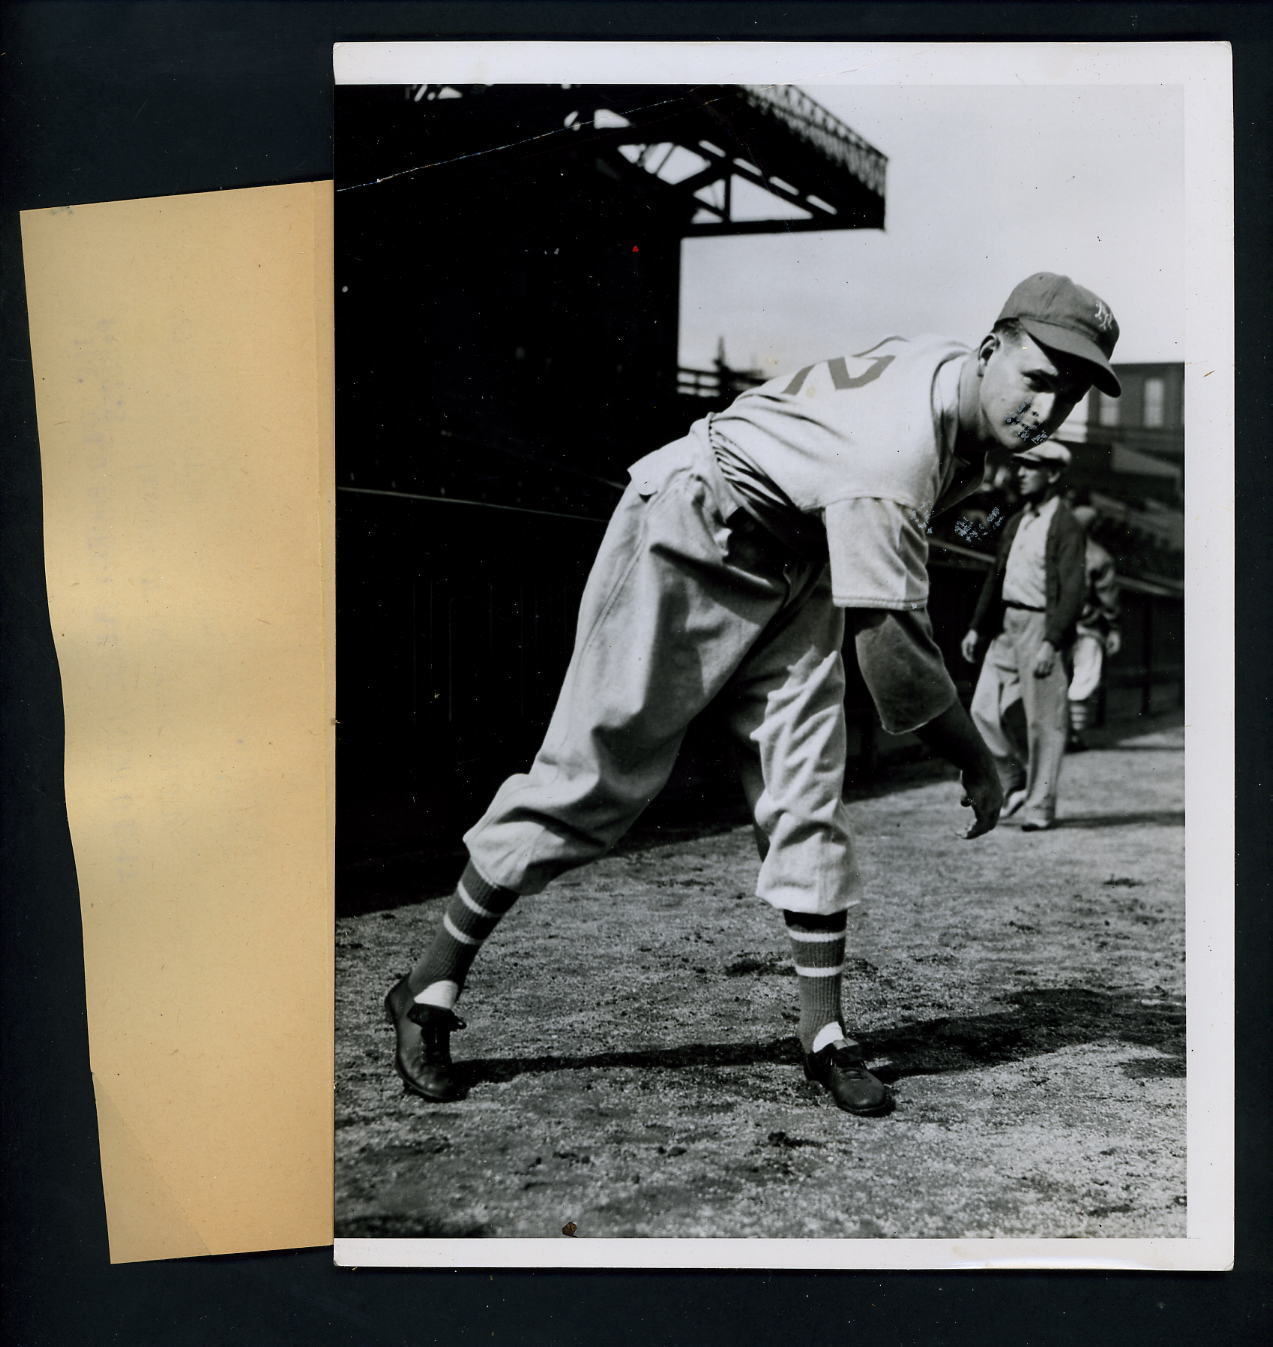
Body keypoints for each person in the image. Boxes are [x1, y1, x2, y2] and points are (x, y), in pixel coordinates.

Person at [386, 271, 1119, 1116]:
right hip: (695, 522)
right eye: (1036, 378)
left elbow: (910, 499)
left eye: (1066, 397)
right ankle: (429, 986)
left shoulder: (951, 378)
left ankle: (823, 1034)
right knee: (590, 780)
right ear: (991, 349)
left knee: (807, 789)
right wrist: (978, 758)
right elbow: (892, 658)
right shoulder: (896, 451)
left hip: (796, 553)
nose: (1045, 410)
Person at [961, 441, 1098, 831]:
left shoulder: (1066, 525)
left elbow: (1073, 589)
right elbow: (996, 576)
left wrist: (1052, 641)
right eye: (1017, 466)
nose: (1019, 473)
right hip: (1007, 626)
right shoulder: (1017, 520)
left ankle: (1039, 808)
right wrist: (977, 627)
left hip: (1042, 627)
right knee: (982, 710)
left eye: (1029, 467)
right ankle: (1014, 779)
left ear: (1053, 474)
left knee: (1045, 722)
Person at [1066, 504, 1122, 750]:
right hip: (1088, 626)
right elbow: (1108, 599)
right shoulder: (1100, 556)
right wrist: (1114, 628)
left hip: (1055, 625)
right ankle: (1074, 736)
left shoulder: (1058, 551)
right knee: (1083, 680)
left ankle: (1061, 734)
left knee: (1057, 681)